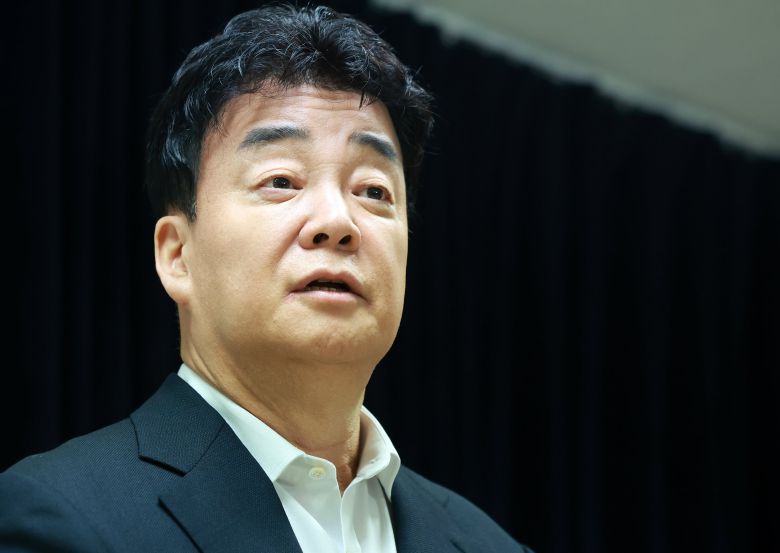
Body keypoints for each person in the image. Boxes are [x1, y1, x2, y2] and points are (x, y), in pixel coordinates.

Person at [0, 5, 532, 552]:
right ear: (178, 255)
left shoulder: (490, 545)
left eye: (373, 191)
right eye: (281, 180)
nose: (337, 222)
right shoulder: (61, 519)